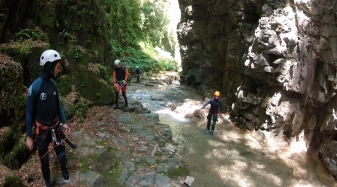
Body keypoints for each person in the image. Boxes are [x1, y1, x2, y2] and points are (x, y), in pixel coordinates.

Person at [26, 49, 71, 187]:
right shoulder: (35, 87)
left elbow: (59, 106)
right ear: (51, 66)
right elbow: (29, 112)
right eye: (58, 65)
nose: (60, 69)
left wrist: (64, 123)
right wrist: (29, 136)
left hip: (55, 126)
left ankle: (64, 169)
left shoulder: (54, 85)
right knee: (44, 160)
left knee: (62, 155)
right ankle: (47, 183)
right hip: (42, 130)